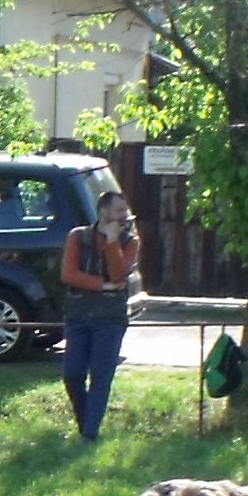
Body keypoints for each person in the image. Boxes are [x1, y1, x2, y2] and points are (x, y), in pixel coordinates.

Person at [58, 185, 140, 442]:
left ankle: (89, 435)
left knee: (101, 376)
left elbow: (119, 275)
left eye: (125, 210)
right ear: (104, 212)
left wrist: (113, 242)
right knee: (72, 374)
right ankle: (86, 425)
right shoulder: (78, 237)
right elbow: (68, 274)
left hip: (110, 318)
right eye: (119, 210)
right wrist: (102, 286)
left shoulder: (130, 241)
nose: (125, 215)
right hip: (79, 314)